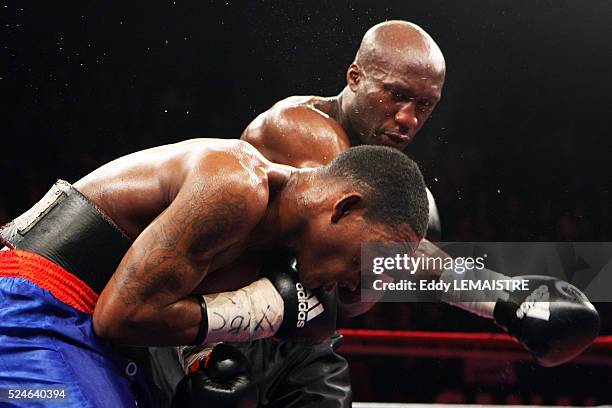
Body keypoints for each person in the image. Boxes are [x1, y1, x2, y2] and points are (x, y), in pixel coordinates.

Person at [0, 139, 430, 407]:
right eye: (370, 256)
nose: (360, 280)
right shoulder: (237, 183)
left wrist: (205, 355)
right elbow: (119, 317)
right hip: (34, 308)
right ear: (345, 207)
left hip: (95, 340)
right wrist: (256, 310)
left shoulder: (274, 251)